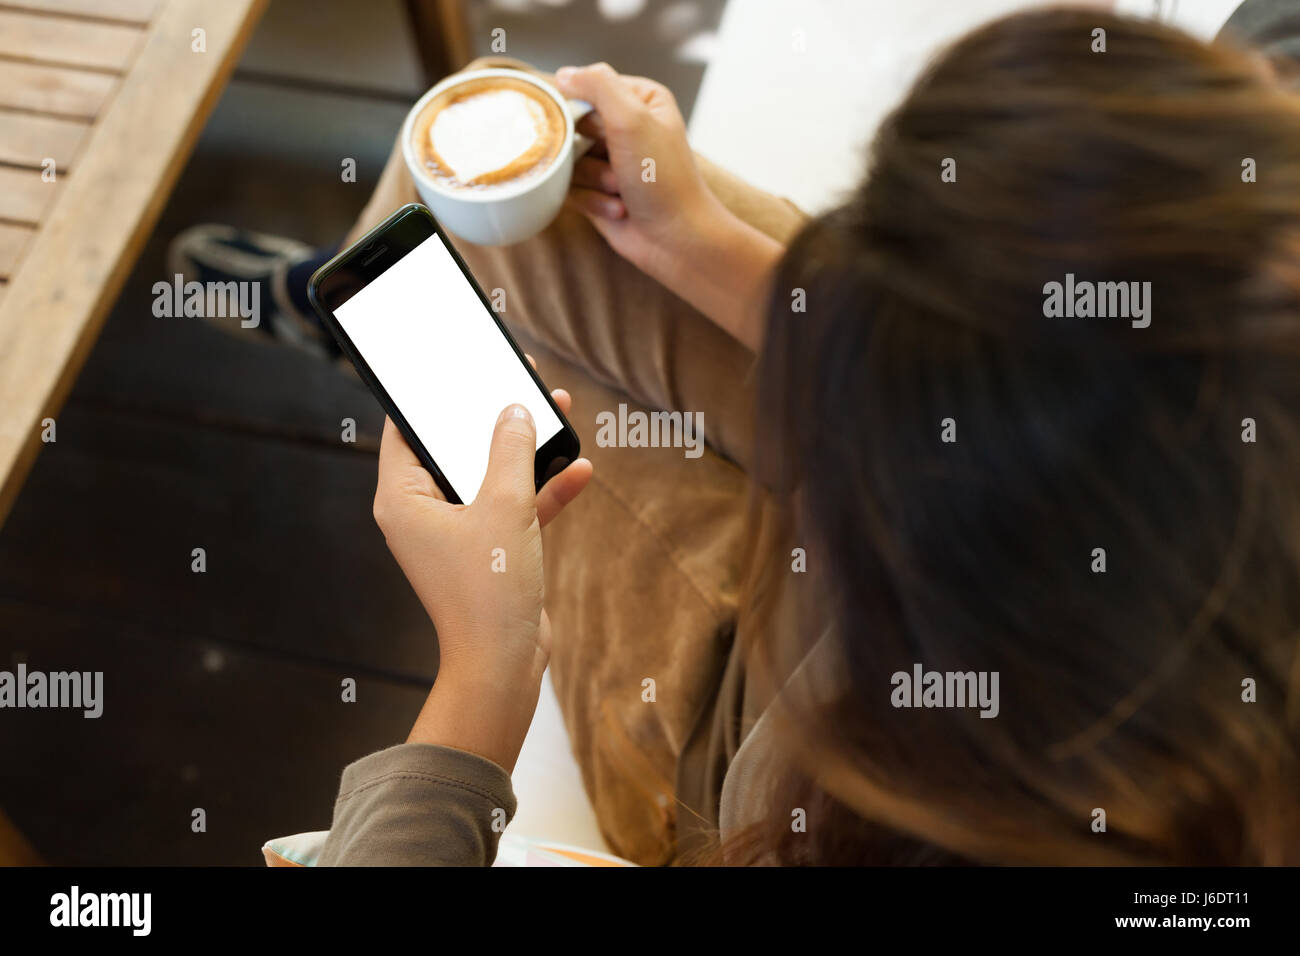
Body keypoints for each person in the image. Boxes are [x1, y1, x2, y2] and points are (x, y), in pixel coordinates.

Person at [182, 2, 1300, 865]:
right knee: (496, 149)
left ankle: (364, 322)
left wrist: (485, 669)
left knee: (474, 353)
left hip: (749, 756)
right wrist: (695, 243)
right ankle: (366, 311)